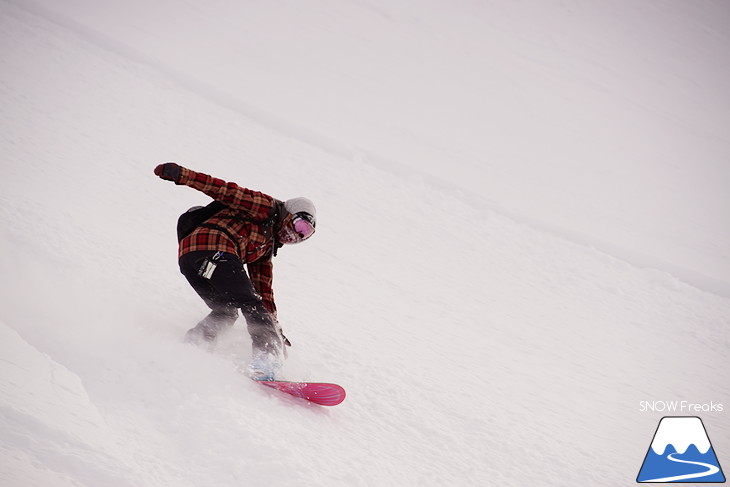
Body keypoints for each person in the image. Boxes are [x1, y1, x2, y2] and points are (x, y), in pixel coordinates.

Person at [154, 162, 316, 380]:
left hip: (191, 261)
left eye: (304, 235)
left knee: (226, 309)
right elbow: (224, 190)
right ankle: (265, 360)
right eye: (300, 226)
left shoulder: (265, 250)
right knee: (248, 301)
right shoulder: (265, 207)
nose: (296, 235)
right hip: (214, 246)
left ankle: (194, 344)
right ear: (289, 213)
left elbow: (264, 292)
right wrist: (182, 175)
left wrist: (275, 329)